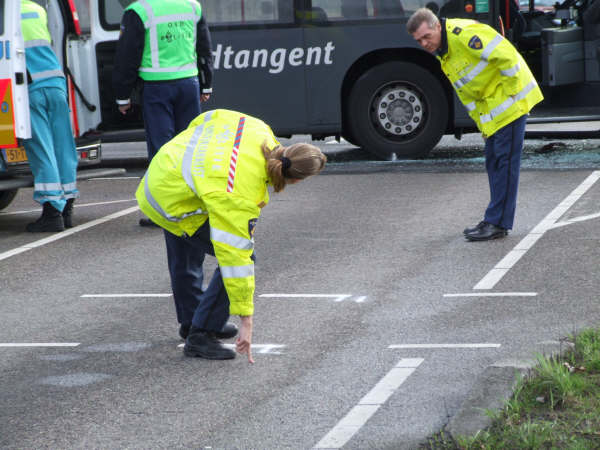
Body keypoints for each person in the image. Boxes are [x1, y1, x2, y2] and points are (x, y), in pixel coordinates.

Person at [136, 109, 326, 362]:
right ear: (297, 180)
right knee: (240, 259)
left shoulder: (260, 129)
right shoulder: (239, 193)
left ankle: (193, 318)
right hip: (172, 197)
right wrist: (246, 320)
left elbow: (206, 118)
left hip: (167, 169)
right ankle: (201, 334)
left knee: (187, 252)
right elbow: (235, 259)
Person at [407, 8, 543, 241]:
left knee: (505, 165)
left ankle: (497, 223)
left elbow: (507, 57)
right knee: (494, 163)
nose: (424, 44)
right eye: (419, 41)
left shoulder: (465, 35)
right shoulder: (444, 52)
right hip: (494, 111)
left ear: (437, 26)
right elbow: (469, 95)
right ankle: (494, 219)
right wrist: (484, 126)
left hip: (509, 104)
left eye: (426, 36)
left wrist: (512, 95)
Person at [112, 0, 213, 227]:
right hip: (189, 84)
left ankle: (167, 213)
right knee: (190, 148)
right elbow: (204, 48)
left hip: (157, 88)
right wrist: (206, 83)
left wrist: (122, 95)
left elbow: (127, 56)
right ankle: (196, 208)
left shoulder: (138, 10)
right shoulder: (192, 6)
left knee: (163, 151)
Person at [20, 0, 79, 232]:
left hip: (30, 87)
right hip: (55, 82)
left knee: (42, 148)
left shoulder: (6, 13)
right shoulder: (37, 10)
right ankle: (67, 207)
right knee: (63, 146)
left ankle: (52, 211)